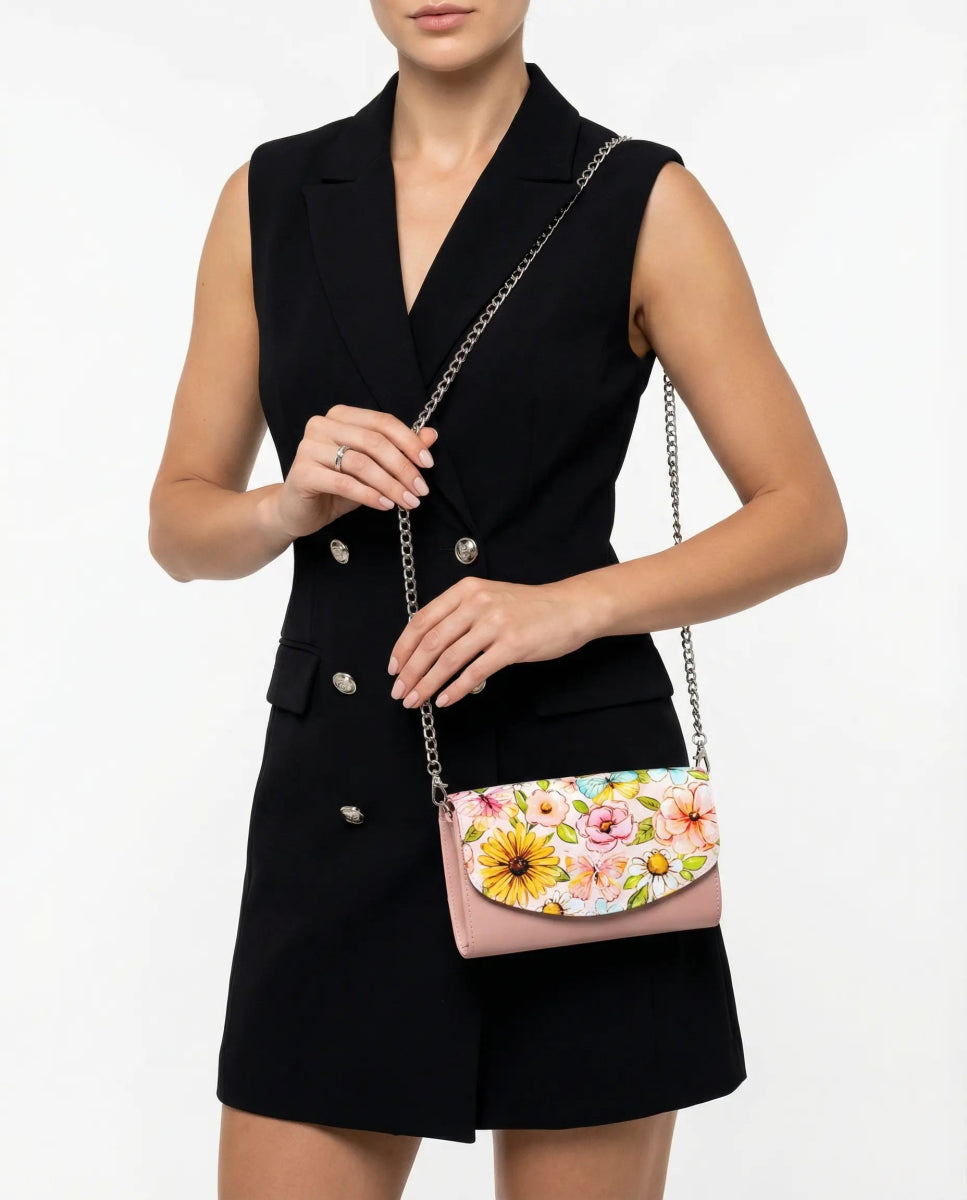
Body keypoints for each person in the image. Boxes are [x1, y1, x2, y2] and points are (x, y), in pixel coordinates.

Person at [148, 4, 847, 1198]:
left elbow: (803, 516)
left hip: (575, 808)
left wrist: (562, 608)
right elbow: (179, 524)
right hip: (343, 798)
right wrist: (288, 506)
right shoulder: (268, 196)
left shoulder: (636, 194)